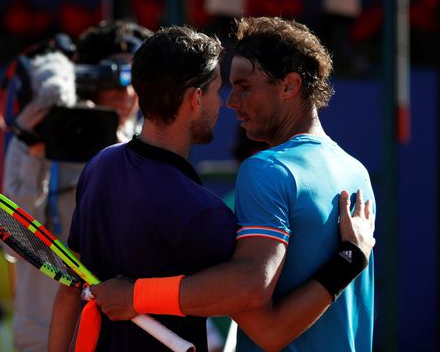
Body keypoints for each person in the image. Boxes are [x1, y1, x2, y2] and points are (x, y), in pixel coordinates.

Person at [49, 23, 375, 352]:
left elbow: (68, 291)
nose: (230, 103)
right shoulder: (357, 173)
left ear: (290, 85)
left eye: (243, 86)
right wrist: (349, 259)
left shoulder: (99, 167)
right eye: (223, 89)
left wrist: (134, 296)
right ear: (195, 99)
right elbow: (254, 298)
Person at [1, 20, 151, 352]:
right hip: (45, 338)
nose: (126, 93)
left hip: (122, 337)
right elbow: (15, 247)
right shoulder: (37, 135)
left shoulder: (152, 147)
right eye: (112, 77)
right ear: (85, 80)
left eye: (136, 79)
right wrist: (33, 152)